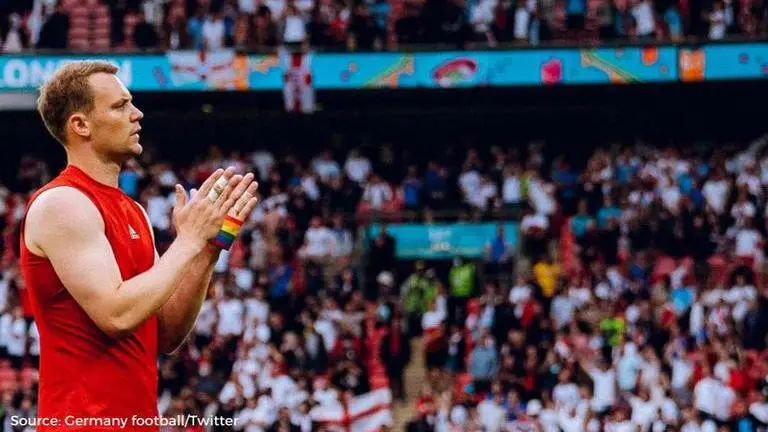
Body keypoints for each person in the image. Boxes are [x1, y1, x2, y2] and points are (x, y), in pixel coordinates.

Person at [19, 61, 259, 430]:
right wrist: (188, 240)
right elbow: (116, 316)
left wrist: (206, 249)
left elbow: (165, 334)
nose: (137, 113)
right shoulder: (61, 204)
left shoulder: (133, 211)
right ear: (80, 125)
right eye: (120, 106)